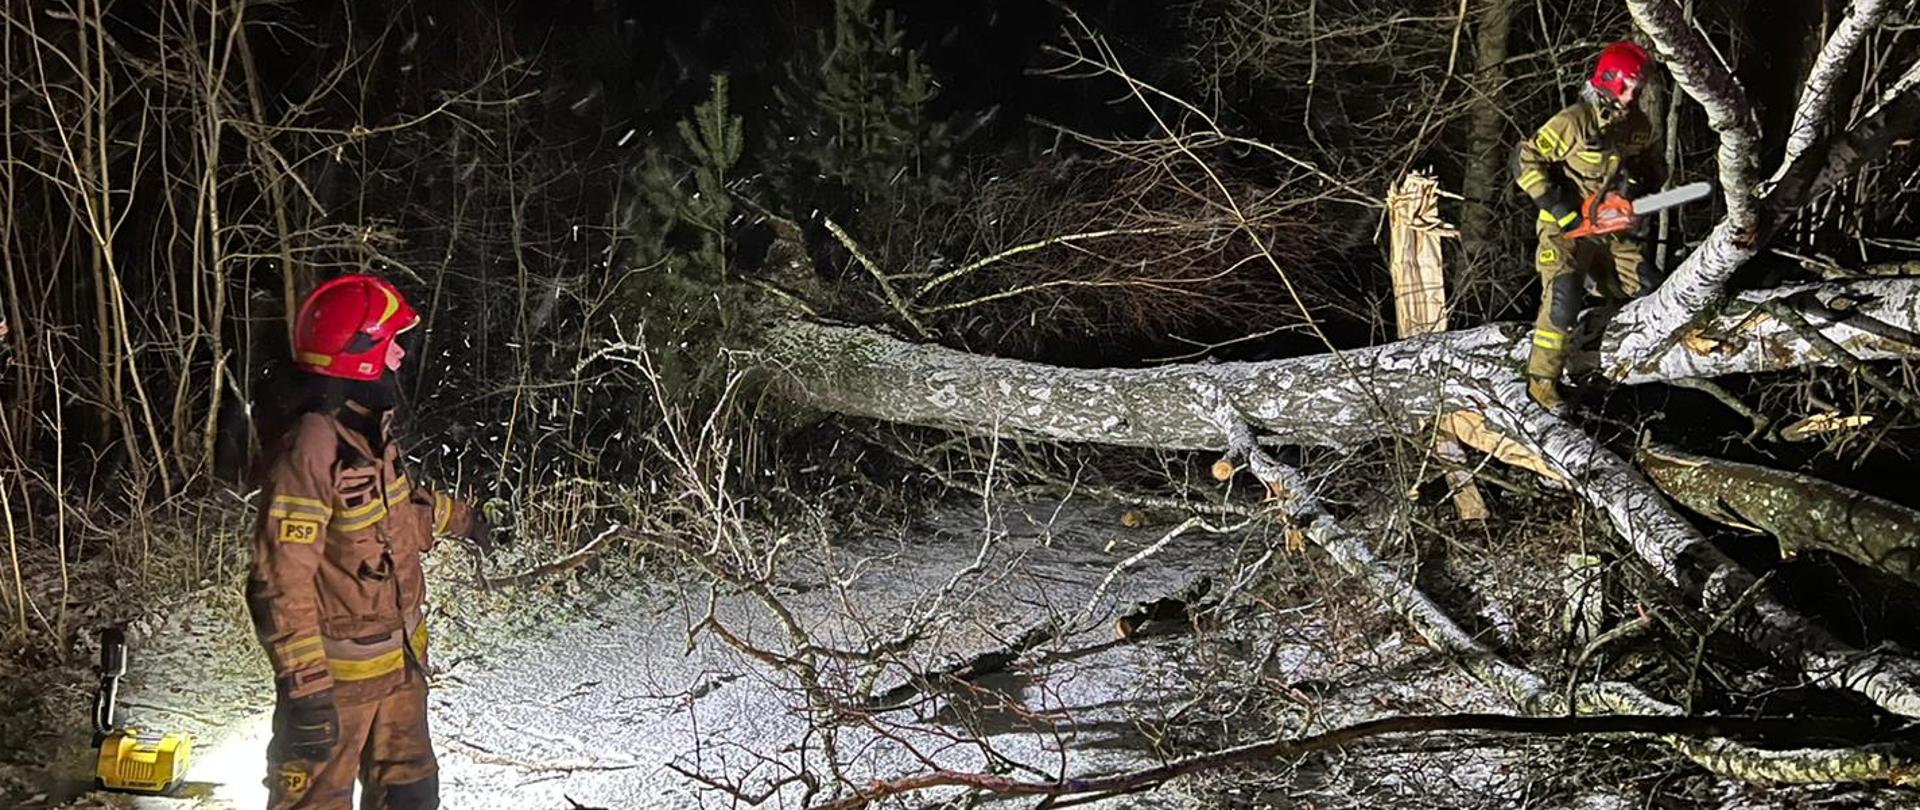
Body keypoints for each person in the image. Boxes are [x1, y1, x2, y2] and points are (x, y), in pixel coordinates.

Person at [246, 274, 489, 809]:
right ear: (359, 356)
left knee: (411, 795)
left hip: (400, 668)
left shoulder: (368, 428)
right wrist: (305, 686)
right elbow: (277, 579)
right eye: (391, 343)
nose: (400, 354)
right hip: (336, 683)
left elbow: (394, 518)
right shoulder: (310, 449)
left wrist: (463, 519)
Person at [1512, 40, 1667, 411]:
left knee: (1650, 285)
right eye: (1628, 86)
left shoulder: (1637, 126)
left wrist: (1641, 186)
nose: (1634, 95)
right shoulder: (1575, 122)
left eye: (1638, 87)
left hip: (1608, 232)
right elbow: (1524, 159)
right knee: (1563, 296)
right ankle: (1542, 381)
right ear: (1609, 81)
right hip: (1563, 229)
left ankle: (1611, 351)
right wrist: (1559, 207)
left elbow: (1653, 166)